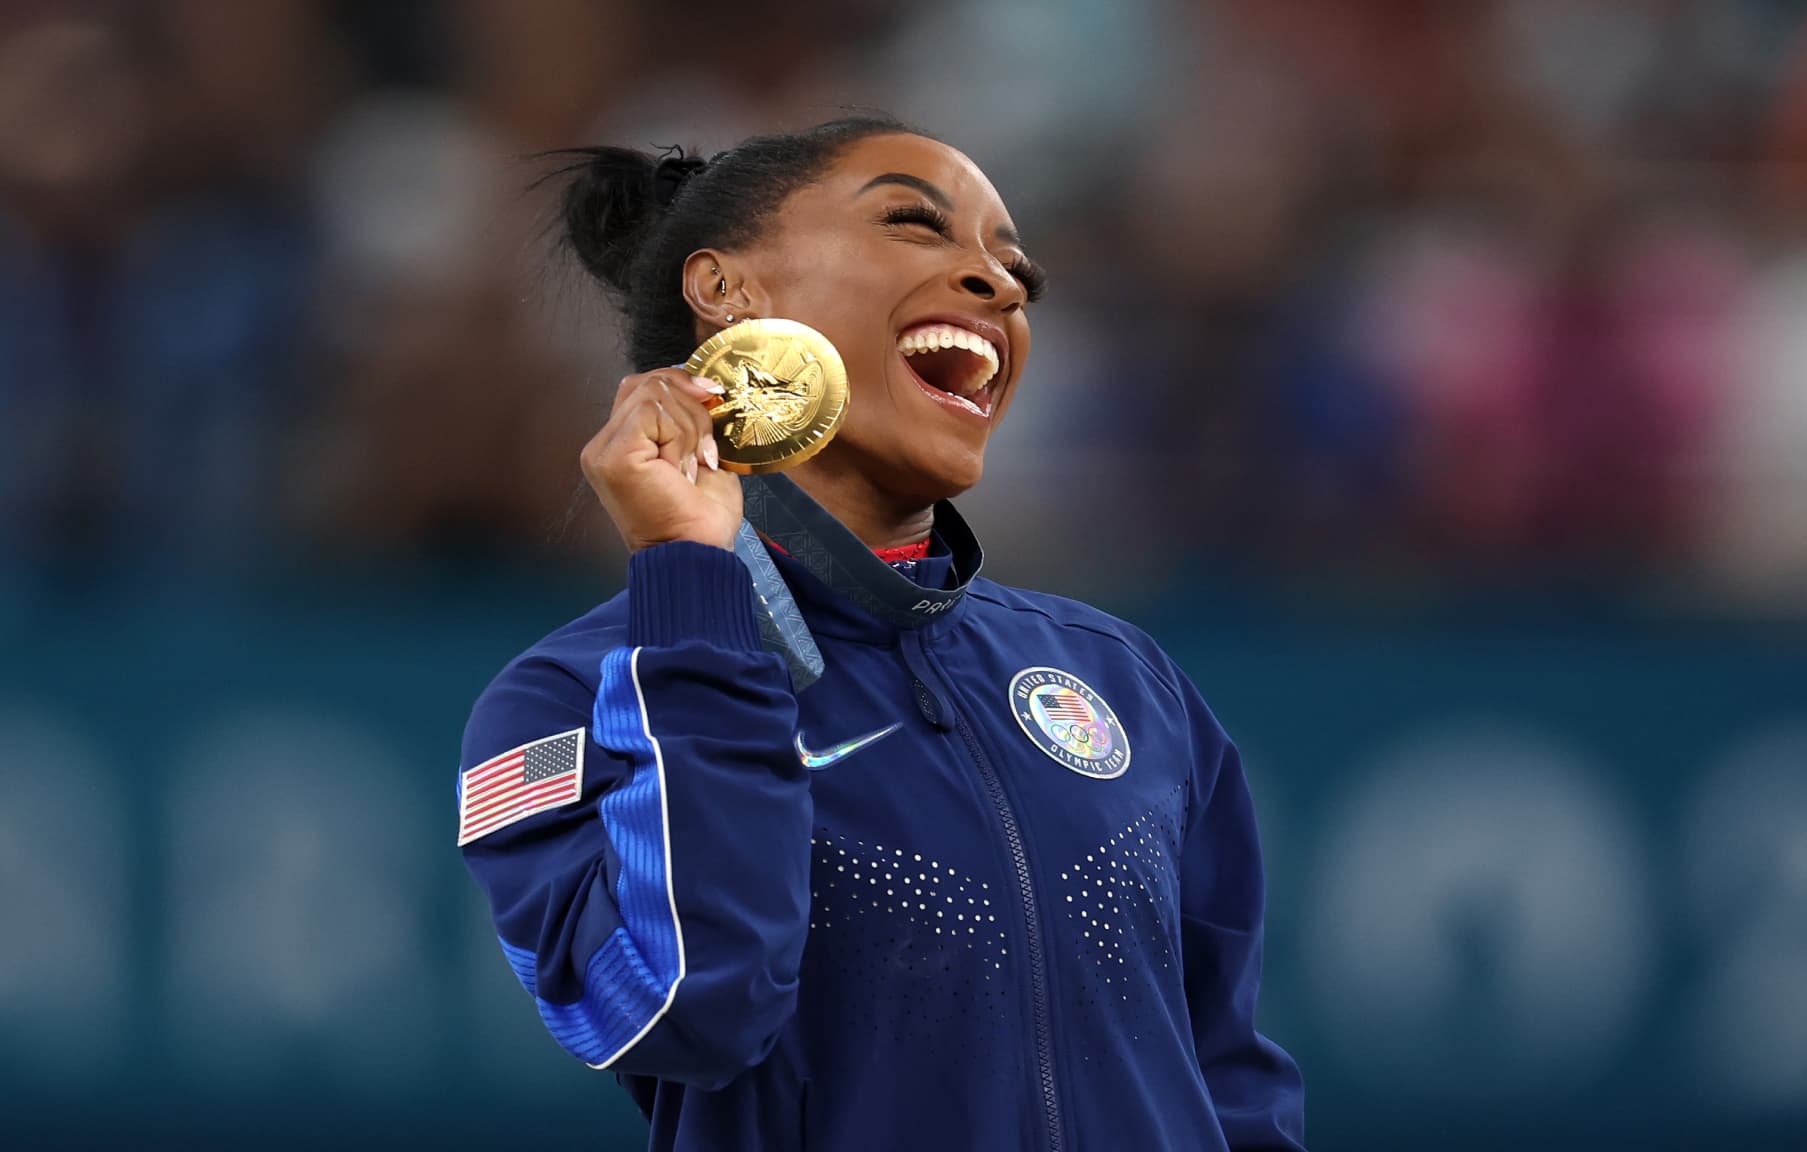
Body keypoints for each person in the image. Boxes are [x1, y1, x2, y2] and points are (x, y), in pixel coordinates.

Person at [458, 114, 1307, 1151]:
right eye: (916, 225)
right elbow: (685, 1008)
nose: (1002, 286)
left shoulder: (1122, 679)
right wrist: (690, 588)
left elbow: (1228, 1076)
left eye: (1015, 266)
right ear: (727, 291)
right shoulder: (568, 699)